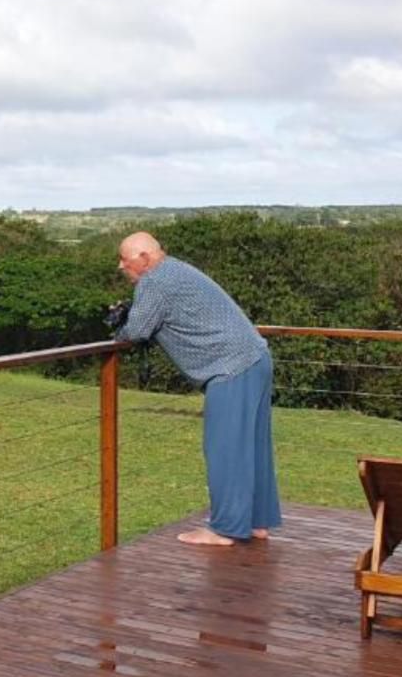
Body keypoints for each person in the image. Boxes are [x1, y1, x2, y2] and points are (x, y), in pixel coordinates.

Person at [110, 232, 281, 547]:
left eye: (126, 259)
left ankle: (226, 529)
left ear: (145, 259)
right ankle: (257, 522)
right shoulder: (174, 269)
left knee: (225, 448)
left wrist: (119, 324)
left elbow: (136, 331)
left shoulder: (154, 281)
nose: (121, 266)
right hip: (255, 358)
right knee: (253, 448)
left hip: (230, 368)